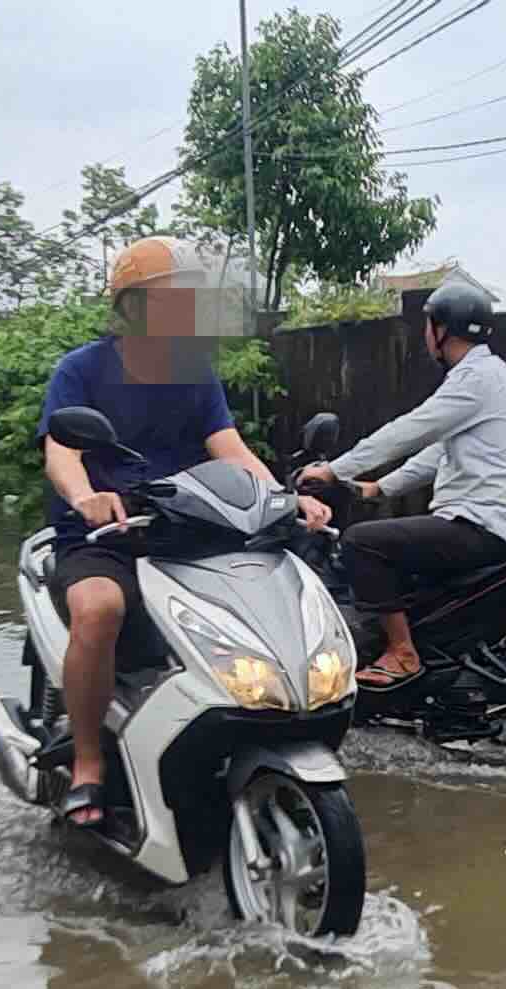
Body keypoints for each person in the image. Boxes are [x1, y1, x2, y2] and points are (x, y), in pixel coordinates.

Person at [38, 236, 332, 828]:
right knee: (98, 610)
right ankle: (91, 764)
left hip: (185, 530)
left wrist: (282, 496)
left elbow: (229, 448)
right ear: (134, 306)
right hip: (105, 535)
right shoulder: (82, 370)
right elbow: (61, 451)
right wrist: (85, 496)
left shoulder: (195, 373)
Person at [299, 282, 506, 688]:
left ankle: (402, 655)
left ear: (444, 330)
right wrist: (379, 488)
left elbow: (410, 431)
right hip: (486, 522)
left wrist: (334, 470)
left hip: (480, 526)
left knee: (361, 542)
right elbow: (440, 450)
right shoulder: (487, 376)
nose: (425, 334)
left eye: (429, 325)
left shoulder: (475, 378)